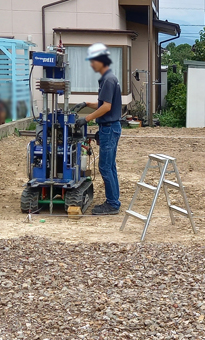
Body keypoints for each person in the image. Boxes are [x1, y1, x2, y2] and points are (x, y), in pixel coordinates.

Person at [74, 43, 122, 215]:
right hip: (109, 127)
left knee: (105, 167)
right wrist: (86, 104)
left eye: (93, 61)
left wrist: (86, 119)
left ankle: (112, 204)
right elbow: (102, 104)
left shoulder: (108, 79)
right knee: (110, 166)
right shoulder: (107, 78)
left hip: (109, 127)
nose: (91, 65)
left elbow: (106, 107)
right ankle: (114, 200)